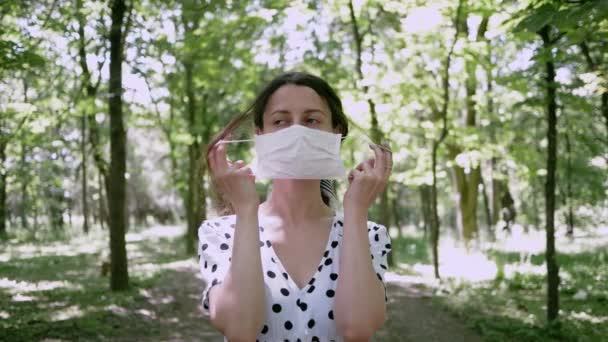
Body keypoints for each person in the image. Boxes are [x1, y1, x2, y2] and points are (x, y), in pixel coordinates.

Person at [198, 71, 393, 342]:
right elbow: (240, 331)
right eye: (281, 121)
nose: (297, 131)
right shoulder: (220, 233)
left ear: (336, 132)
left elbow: (357, 330)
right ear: (260, 135)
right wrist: (244, 210)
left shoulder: (369, 234)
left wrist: (357, 213)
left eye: (312, 120)